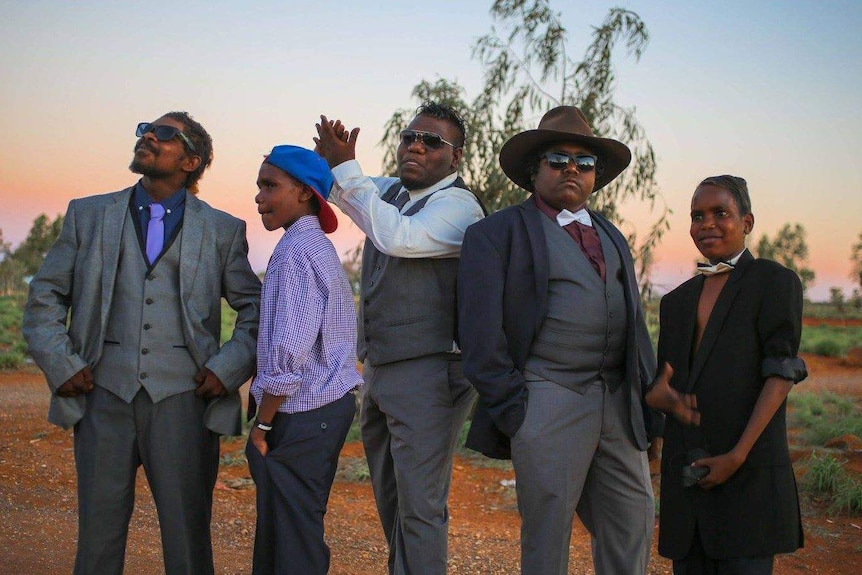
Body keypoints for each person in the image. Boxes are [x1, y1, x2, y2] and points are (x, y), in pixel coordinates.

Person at [22, 112, 261, 575]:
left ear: (191, 160)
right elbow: (45, 294)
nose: (149, 136)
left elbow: (254, 310)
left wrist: (227, 366)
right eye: (145, 129)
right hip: (100, 395)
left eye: (166, 134)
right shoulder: (89, 215)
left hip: (184, 402)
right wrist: (61, 361)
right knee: (98, 533)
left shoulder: (222, 229)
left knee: (188, 536)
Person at [458, 105, 663, 575]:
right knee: (548, 535)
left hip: (616, 401)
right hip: (545, 397)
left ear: (595, 176)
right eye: (557, 159)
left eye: (584, 162)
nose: (572, 168)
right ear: (535, 170)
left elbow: (634, 326)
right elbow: (479, 335)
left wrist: (649, 412)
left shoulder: (612, 235)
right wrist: (517, 409)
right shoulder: (495, 235)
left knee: (632, 520)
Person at [313, 102, 486, 575]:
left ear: (456, 158)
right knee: (391, 496)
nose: (415, 145)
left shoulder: (458, 207)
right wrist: (322, 158)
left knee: (420, 505)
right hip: (383, 368)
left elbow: (399, 239)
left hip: (430, 372)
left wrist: (346, 168)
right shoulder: (394, 193)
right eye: (410, 136)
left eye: (432, 142)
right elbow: (342, 189)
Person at [646, 175, 807, 574]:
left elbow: (781, 373)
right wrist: (658, 400)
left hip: (747, 474)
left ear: (747, 222)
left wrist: (737, 456)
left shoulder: (773, 282)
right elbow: (667, 384)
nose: (707, 224)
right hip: (689, 483)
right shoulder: (676, 302)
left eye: (721, 213)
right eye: (697, 215)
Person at [246, 144, 363, 574]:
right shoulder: (311, 245)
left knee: (293, 532)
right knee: (292, 523)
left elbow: (289, 351)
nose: (259, 197)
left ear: (304, 193)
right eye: (259, 186)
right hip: (322, 408)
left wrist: (262, 423)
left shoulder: (297, 252)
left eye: (269, 185)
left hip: (302, 411)